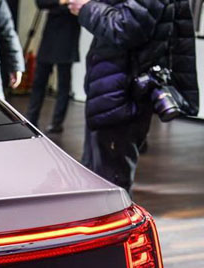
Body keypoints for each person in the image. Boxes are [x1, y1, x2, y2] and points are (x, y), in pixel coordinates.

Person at [68, 0, 199, 192]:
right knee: (98, 180)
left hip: (122, 95)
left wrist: (86, 8)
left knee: (109, 186)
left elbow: (125, 28)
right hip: (114, 90)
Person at [25, 0, 81, 133]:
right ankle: (31, 118)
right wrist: (61, 2)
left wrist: (61, 5)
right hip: (51, 34)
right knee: (39, 80)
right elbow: (41, 3)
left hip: (68, 33)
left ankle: (57, 122)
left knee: (63, 83)